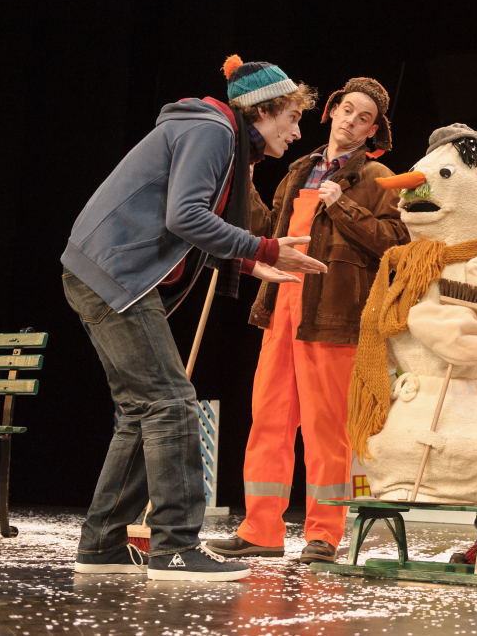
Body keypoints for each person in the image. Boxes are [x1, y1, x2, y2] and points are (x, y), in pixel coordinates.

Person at [62, 56, 326, 581]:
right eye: (292, 118)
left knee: (144, 410)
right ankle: (176, 546)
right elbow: (185, 216)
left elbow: (191, 220)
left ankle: (102, 545)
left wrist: (249, 260)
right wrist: (264, 248)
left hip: (104, 272)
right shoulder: (210, 131)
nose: (297, 131)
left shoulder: (219, 137)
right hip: (116, 274)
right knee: (172, 403)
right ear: (264, 110)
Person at [206, 78, 408, 564]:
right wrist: (241, 182)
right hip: (283, 308)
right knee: (269, 421)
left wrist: (344, 205)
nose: (351, 121)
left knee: (326, 429)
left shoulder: (379, 179)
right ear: (332, 111)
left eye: (364, 118)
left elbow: (397, 243)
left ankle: (324, 533)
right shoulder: (299, 168)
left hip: (334, 316)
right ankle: (261, 529)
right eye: (346, 110)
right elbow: (265, 229)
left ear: (372, 131)